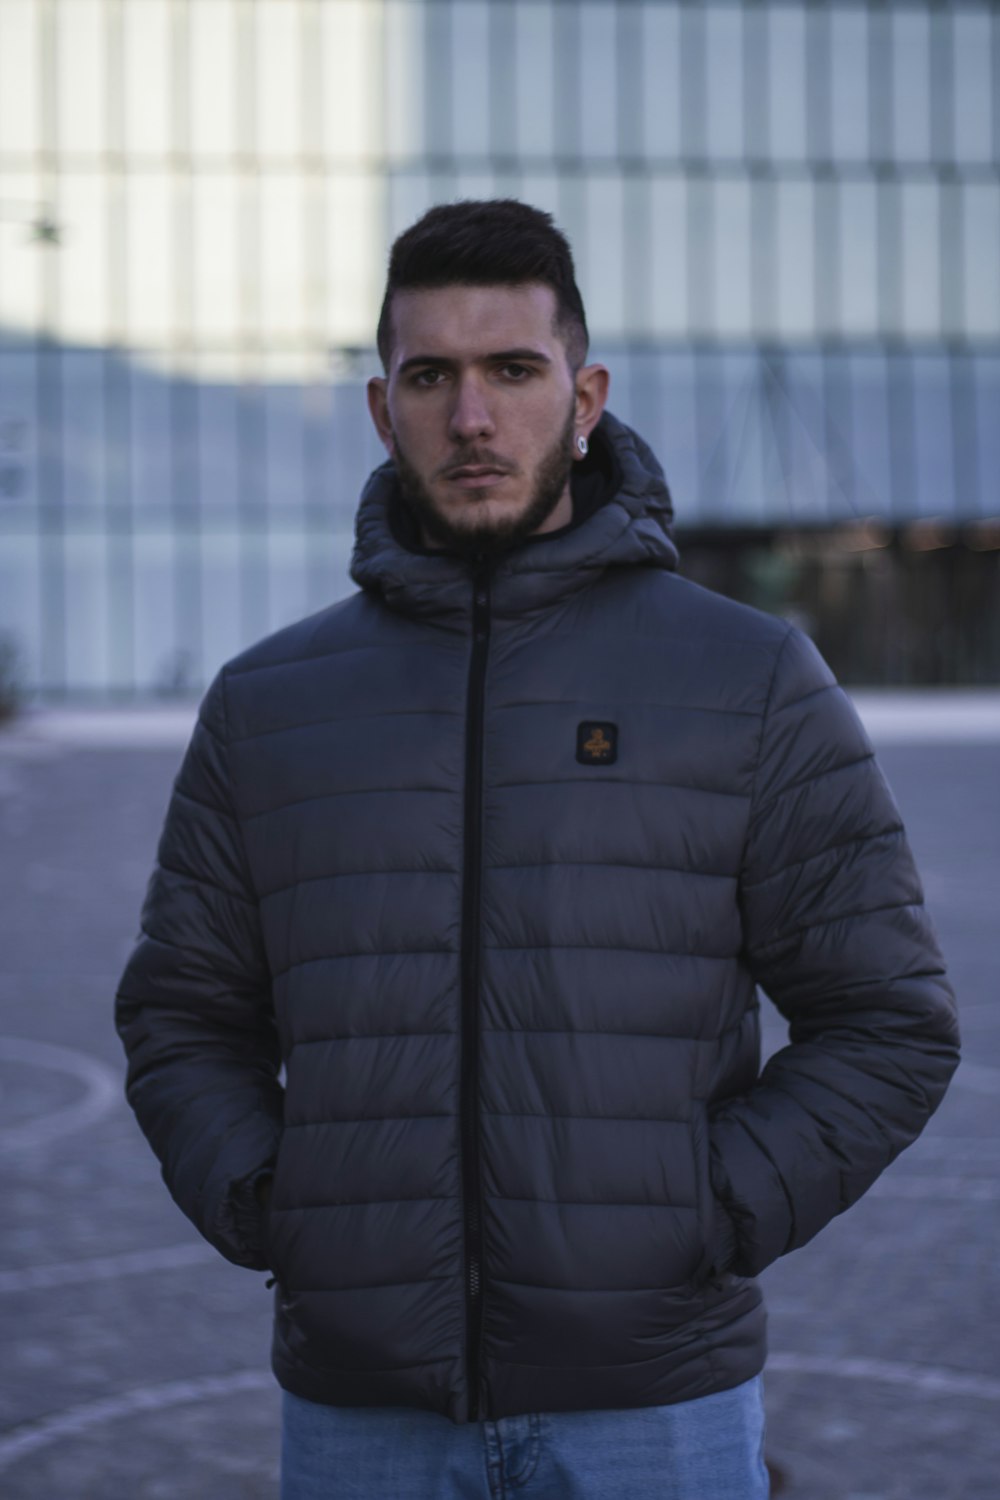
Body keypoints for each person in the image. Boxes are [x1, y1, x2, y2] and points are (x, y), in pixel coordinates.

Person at [115, 200, 960, 1500]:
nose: (471, 417)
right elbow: (182, 1013)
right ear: (378, 406)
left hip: (654, 1401)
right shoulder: (269, 705)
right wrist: (276, 1203)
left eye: (512, 369)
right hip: (362, 1409)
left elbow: (888, 1021)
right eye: (430, 375)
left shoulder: (747, 679)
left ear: (585, 393)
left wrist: (708, 1211)